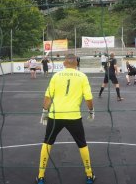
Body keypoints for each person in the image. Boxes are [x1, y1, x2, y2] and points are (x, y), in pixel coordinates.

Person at [36, 54, 95, 184]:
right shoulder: (82, 76)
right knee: (82, 144)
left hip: (55, 116)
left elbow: (48, 96)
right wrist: (91, 111)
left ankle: (40, 176)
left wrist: (44, 111)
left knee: (47, 143)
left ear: (64, 63)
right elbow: (88, 98)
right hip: (73, 116)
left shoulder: (56, 76)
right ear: (77, 63)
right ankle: (89, 175)